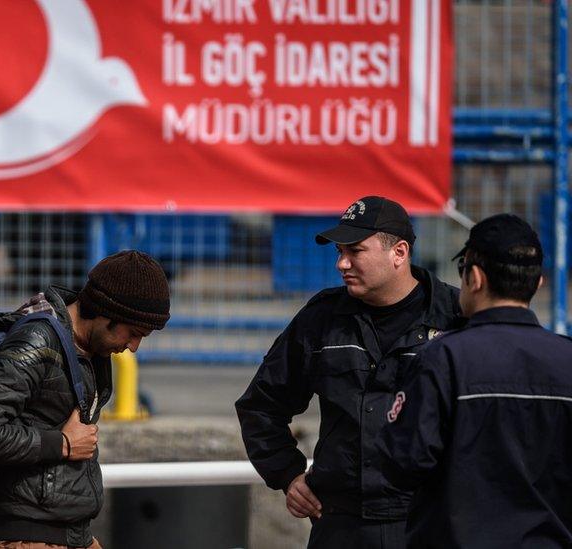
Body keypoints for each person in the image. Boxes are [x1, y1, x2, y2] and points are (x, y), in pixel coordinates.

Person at [235, 196, 461, 548]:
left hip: (430, 521)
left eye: (355, 251)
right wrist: (288, 473)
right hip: (341, 524)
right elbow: (261, 405)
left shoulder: (455, 317)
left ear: (398, 253)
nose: (342, 264)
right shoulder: (323, 318)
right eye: (339, 252)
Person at [377, 213, 572, 548]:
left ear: (476, 278)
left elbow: (401, 464)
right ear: (537, 282)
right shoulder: (566, 359)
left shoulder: (443, 358)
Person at [0, 250, 171, 549]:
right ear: (106, 312)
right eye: (133, 333)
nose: (133, 347)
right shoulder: (38, 341)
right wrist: (63, 444)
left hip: (71, 533)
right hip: (27, 537)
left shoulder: (89, 350)